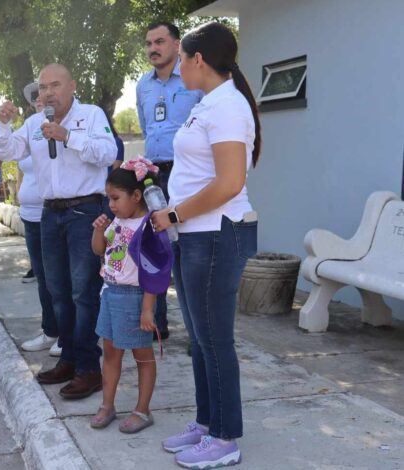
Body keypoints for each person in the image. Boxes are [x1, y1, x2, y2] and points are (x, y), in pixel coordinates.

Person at [150, 22, 261, 469]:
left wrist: (175, 214)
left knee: (215, 340)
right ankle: (205, 421)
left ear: (198, 60)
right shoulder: (209, 104)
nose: (177, 66)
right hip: (196, 235)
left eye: (181, 59)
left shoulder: (228, 107)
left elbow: (231, 182)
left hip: (217, 233)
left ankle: (225, 438)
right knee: (199, 339)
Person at [0, 63, 117, 399]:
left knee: (83, 291)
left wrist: (68, 137)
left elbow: (109, 152)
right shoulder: (34, 123)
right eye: (43, 87)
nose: (47, 92)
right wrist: (3, 125)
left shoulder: (91, 115)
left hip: (85, 212)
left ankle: (90, 369)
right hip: (51, 215)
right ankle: (69, 358)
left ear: (72, 86)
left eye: (55, 85)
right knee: (57, 290)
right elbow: (6, 152)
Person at [89, 160, 172, 434]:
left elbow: (155, 271)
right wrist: (98, 230)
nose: (111, 204)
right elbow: (99, 250)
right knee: (111, 352)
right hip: (111, 294)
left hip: (135, 297)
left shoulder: (149, 226)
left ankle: (142, 410)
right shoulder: (118, 221)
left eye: (115, 198)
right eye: (108, 199)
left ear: (137, 196)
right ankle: (107, 405)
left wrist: (148, 308)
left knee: (142, 356)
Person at [136, 21, 203, 341]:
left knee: (190, 250)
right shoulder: (142, 87)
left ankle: (198, 334)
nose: (153, 48)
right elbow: (146, 127)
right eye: (149, 43)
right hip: (153, 176)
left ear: (177, 45)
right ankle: (157, 326)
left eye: (160, 41)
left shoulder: (194, 79)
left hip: (187, 174)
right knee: (157, 249)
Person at [17, 95, 60, 357]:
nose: (41, 102)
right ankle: (50, 330)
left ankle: (68, 334)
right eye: (37, 99)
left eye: (47, 95)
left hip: (52, 212)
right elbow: (12, 155)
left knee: (59, 278)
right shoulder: (30, 127)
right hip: (29, 215)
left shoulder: (63, 125)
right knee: (43, 278)